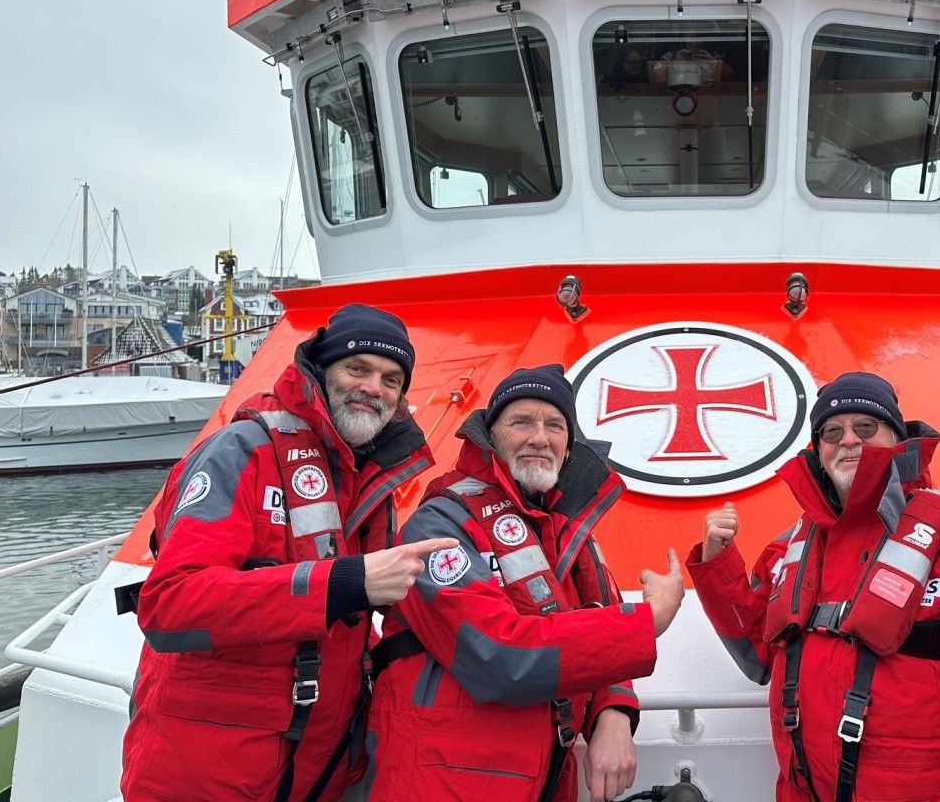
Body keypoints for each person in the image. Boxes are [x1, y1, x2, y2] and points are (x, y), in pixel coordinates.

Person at [121, 304, 452, 802]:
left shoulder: (371, 475)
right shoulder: (242, 451)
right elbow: (169, 605)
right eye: (356, 368)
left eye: (391, 379)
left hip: (315, 768)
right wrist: (345, 583)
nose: (373, 388)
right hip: (207, 772)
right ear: (320, 371)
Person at [687, 373, 940, 802]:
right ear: (818, 451)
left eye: (866, 427)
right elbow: (758, 655)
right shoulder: (790, 546)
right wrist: (716, 565)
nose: (848, 439)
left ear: (895, 438)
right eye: (832, 431)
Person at [365, 364, 685, 802]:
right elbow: (498, 657)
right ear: (489, 435)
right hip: (444, 780)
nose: (540, 437)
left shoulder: (569, 534)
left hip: (546, 774)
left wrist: (614, 715)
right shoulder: (438, 524)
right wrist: (649, 622)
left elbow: (599, 626)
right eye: (521, 421)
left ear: (569, 446)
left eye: (554, 425)